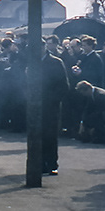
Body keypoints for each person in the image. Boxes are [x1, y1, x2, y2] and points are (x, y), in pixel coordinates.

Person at [41, 36, 70, 175]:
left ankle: (52, 163)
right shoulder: (32, 63)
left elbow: (64, 86)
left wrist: (52, 99)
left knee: (50, 136)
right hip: (36, 105)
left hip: (51, 105)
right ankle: (40, 163)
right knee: (37, 135)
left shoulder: (56, 62)